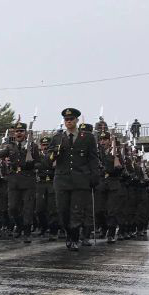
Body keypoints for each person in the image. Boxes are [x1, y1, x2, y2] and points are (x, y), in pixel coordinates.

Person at [46, 107, 101, 250]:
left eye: (71, 119)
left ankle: (75, 238)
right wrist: (54, 154)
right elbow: (48, 158)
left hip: (80, 180)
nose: (68, 121)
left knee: (76, 212)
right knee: (63, 211)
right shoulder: (57, 138)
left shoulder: (87, 137)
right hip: (62, 180)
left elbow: (93, 159)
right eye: (66, 119)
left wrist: (94, 177)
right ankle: (69, 235)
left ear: (76, 120)